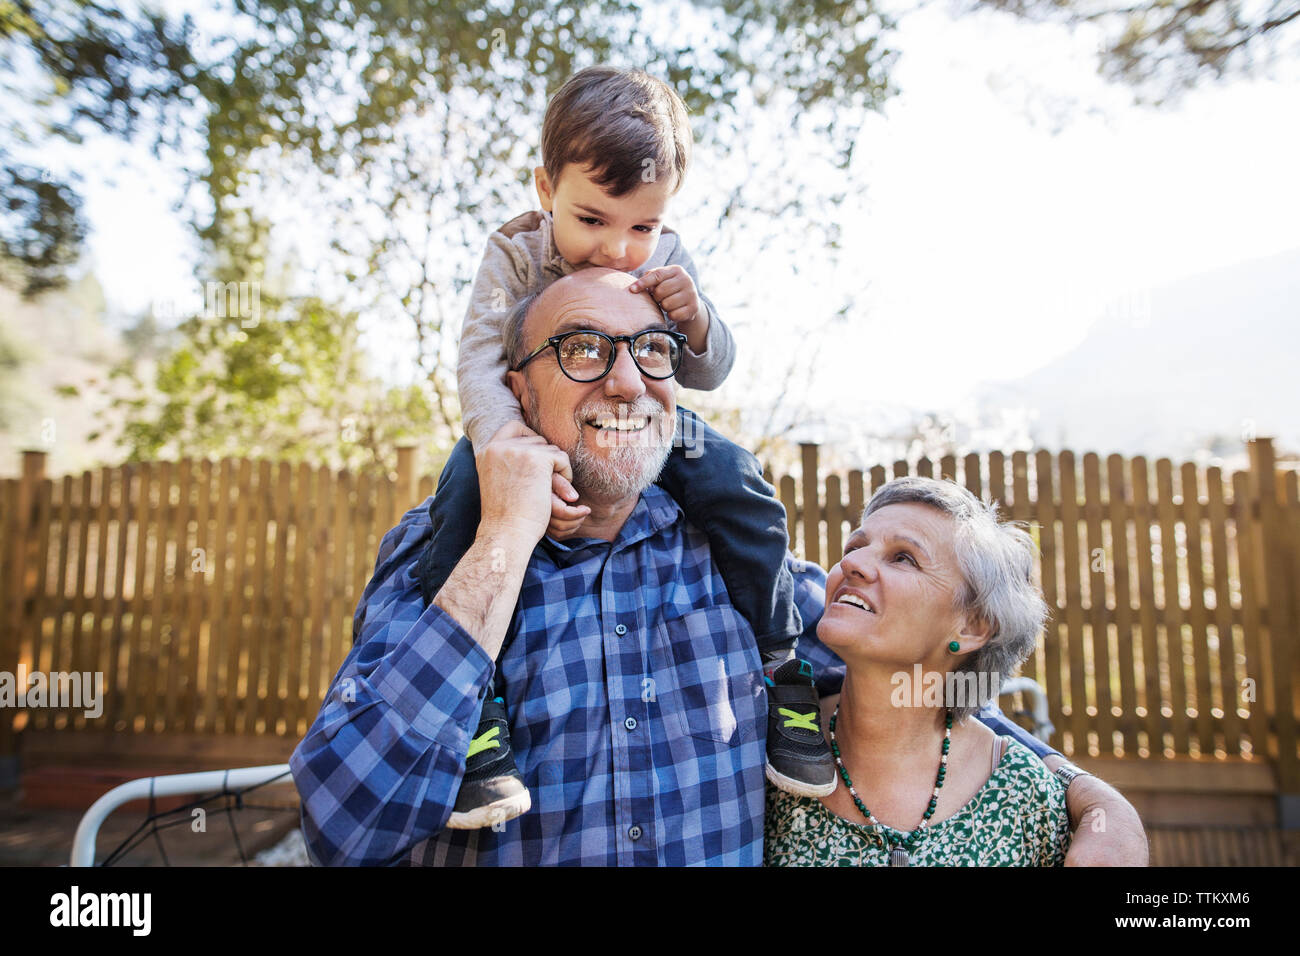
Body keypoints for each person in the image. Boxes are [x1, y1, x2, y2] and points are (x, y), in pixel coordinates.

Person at [290, 268, 1148, 866]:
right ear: (516, 394)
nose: (628, 382)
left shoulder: (744, 574)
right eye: (583, 349)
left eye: (653, 351)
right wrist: (505, 537)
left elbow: (928, 699)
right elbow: (345, 825)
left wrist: (1094, 800)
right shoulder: (444, 555)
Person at [413, 64, 834, 828]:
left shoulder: (663, 256)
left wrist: (696, 317)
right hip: (517, 422)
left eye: (640, 225)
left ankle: (784, 668)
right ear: (546, 190)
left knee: (739, 483)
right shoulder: (513, 252)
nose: (616, 249)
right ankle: (474, 706)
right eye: (594, 220)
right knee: (460, 507)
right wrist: (512, 451)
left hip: (643, 426)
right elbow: (478, 361)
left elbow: (707, 370)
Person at [766, 477, 1075, 866]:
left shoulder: (1026, 794)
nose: (851, 563)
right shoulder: (770, 752)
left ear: (973, 626)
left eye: (903, 557)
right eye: (856, 547)